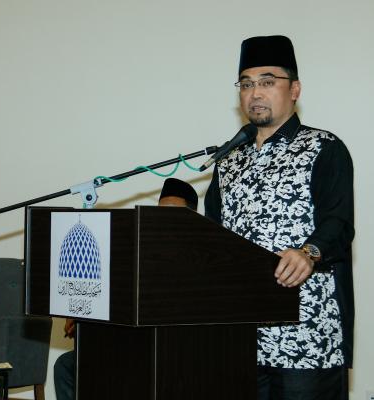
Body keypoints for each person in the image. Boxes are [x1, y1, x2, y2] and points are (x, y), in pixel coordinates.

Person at [204, 35, 354, 399]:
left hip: (307, 337)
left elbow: (338, 222)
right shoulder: (228, 160)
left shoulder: (323, 147)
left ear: (295, 89)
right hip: (239, 338)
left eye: (268, 82)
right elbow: (211, 237)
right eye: (246, 84)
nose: (255, 93)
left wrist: (309, 253)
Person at [53, 178, 198, 400]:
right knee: (66, 365)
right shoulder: (138, 251)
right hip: (127, 344)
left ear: (192, 218)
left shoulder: (198, 259)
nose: (163, 220)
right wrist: (82, 312)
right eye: (160, 212)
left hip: (172, 351)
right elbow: (116, 297)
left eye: (173, 213)